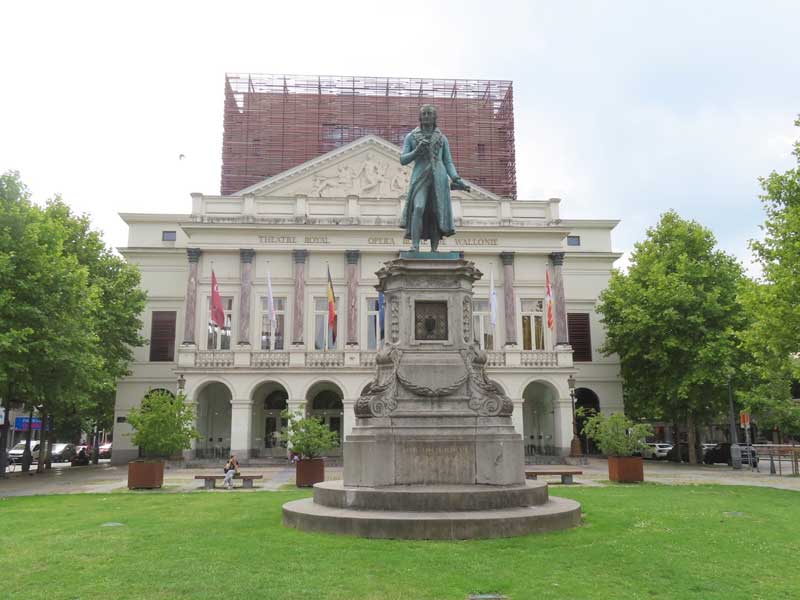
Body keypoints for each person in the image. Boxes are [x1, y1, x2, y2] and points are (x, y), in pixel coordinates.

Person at [399, 104, 469, 252]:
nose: (426, 116)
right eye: (423, 114)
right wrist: (417, 151)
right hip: (420, 177)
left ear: (434, 117)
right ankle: (415, 245)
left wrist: (456, 178)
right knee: (418, 207)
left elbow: (448, 161)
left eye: (429, 114)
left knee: (436, 211)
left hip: (439, 177)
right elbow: (403, 159)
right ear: (420, 117)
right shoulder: (411, 137)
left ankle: (434, 250)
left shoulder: (442, 138)